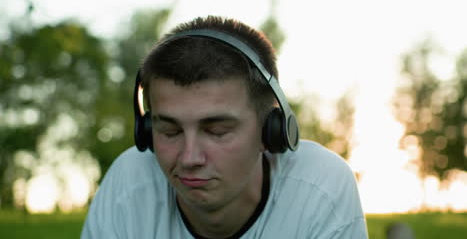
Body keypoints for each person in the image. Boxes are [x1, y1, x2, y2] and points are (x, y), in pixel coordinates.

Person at [81, 16, 368, 238]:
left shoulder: (320, 188)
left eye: (217, 131)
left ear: (272, 131)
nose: (190, 158)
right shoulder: (128, 186)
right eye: (170, 131)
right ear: (146, 131)